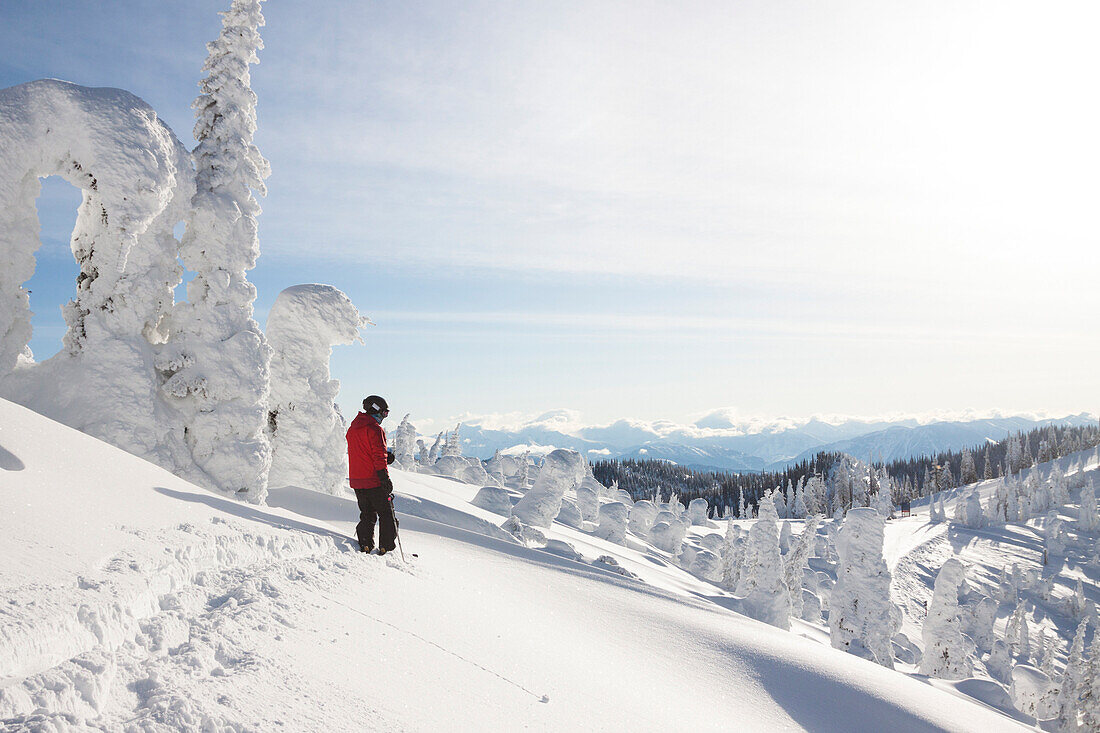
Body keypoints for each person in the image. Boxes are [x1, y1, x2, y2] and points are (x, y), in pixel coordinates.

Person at [346, 395, 397, 554]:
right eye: (384, 412)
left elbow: (363, 452)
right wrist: (384, 478)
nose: (384, 416)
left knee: (367, 513)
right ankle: (386, 547)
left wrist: (385, 457)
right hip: (373, 480)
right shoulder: (375, 429)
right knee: (386, 514)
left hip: (357, 480)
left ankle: (365, 544)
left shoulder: (353, 428)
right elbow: (377, 456)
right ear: (375, 409)